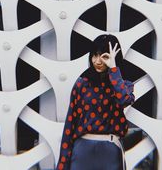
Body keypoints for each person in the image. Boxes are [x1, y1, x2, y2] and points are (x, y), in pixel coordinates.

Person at [56, 34, 135, 170]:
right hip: (82, 151)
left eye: (104, 56)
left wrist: (113, 69)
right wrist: (62, 165)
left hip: (110, 151)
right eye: (94, 55)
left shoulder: (123, 85)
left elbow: (124, 100)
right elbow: (70, 125)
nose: (97, 61)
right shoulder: (82, 84)